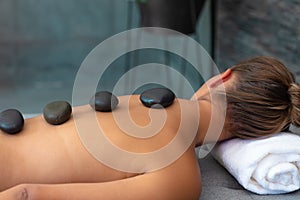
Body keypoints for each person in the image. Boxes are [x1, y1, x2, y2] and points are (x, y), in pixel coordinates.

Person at [0, 56, 299, 200]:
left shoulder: (134, 103)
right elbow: (27, 195)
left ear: (223, 77)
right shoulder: (179, 179)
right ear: (250, 137)